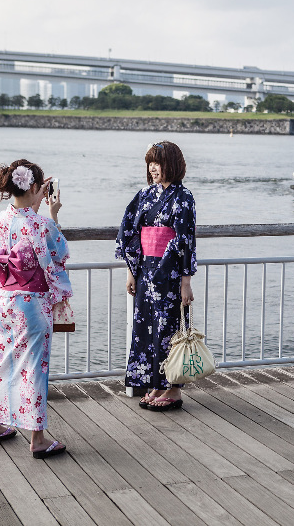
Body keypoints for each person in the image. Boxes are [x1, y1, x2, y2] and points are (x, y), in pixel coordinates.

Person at [0, 159, 72, 459]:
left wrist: (37, 209)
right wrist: (53, 214)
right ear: (35, 187)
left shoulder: (1, 218)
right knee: (35, 368)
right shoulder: (41, 223)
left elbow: (22, 228)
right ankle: (37, 439)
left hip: (7, 300)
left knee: (3, 360)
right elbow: (59, 251)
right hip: (32, 303)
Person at [116, 141, 197, 411]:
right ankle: (154, 384)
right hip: (145, 273)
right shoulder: (144, 195)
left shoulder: (183, 197)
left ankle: (172, 389)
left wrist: (186, 282)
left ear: (171, 165)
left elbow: (185, 241)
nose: (152, 168)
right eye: (150, 162)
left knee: (167, 331)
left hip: (170, 274)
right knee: (144, 330)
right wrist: (131, 272)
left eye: (158, 162)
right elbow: (130, 233)